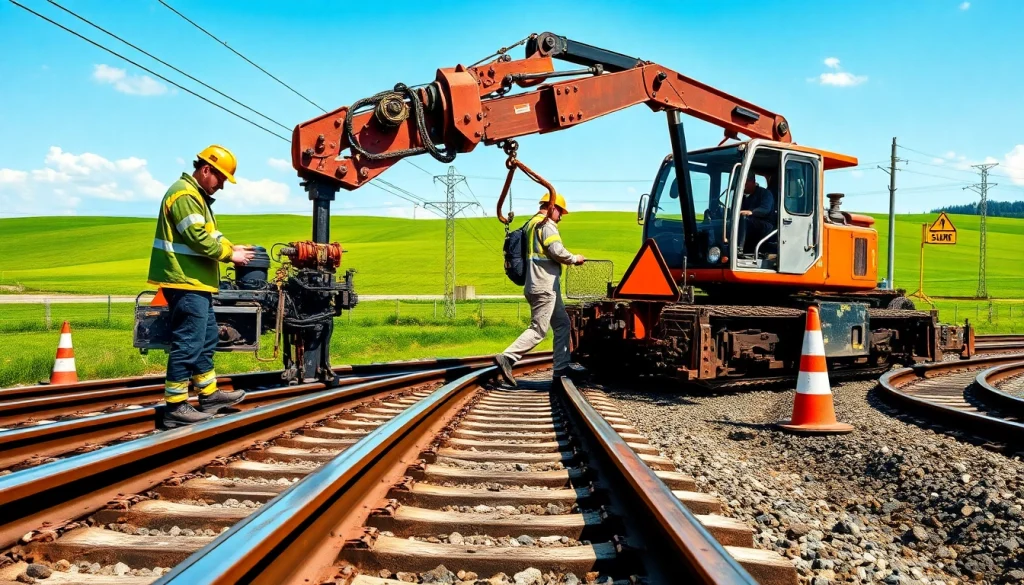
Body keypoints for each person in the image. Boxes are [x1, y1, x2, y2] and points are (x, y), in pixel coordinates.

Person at [148, 145, 254, 427]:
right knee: (188, 341)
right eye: (220, 179)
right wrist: (230, 255)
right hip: (184, 281)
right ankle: (175, 407)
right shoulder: (184, 194)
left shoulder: (197, 198)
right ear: (206, 170)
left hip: (197, 283)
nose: (221, 186)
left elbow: (212, 234)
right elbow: (196, 237)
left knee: (206, 338)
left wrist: (233, 246)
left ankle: (209, 395)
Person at [494, 192, 586, 387]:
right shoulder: (546, 225)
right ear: (552, 206)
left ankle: (561, 368)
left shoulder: (531, 224)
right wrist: (574, 259)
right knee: (538, 329)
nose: (561, 216)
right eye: (560, 211)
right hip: (543, 286)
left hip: (541, 285)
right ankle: (507, 357)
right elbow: (556, 250)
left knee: (562, 324)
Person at [736, 174, 776, 255]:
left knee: (744, 220)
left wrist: (752, 212)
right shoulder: (741, 197)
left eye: (745, 183)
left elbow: (765, 209)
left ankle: (739, 249)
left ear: (752, 182)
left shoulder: (765, 193)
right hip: (751, 222)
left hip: (766, 225)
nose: (743, 186)